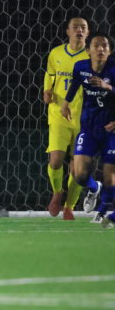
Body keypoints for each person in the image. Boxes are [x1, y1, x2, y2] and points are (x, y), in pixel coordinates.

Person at [60, 33, 115, 225]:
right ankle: (93, 188)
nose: (101, 49)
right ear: (88, 50)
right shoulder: (80, 67)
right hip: (89, 128)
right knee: (78, 174)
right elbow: (75, 84)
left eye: (105, 46)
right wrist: (65, 103)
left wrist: (107, 87)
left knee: (110, 177)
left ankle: (102, 212)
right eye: (96, 45)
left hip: (111, 129)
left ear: (110, 51)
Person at [43, 17, 89, 220]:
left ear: (87, 33)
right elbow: (50, 74)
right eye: (75, 27)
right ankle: (57, 192)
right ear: (68, 31)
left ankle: (70, 206)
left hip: (84, 117)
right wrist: (47, 89)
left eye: (83, 27)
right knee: (55, 160)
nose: (79, 30)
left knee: (78, 167)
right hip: (58, 113)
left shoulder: (92, 56)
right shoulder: (56, 53)